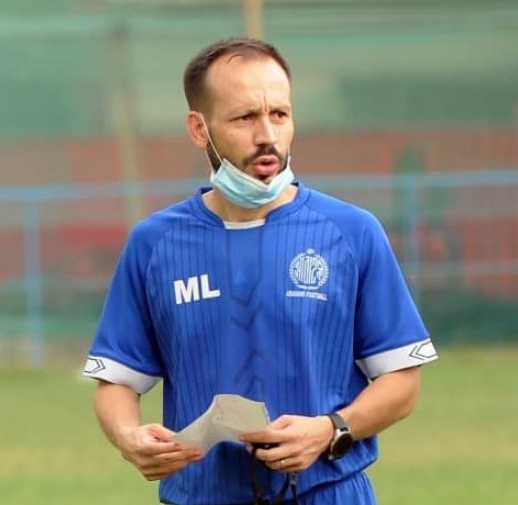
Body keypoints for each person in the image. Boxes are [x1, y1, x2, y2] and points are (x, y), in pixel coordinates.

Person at [82, 38, 438, 505]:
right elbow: (117, 382)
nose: (267, 134)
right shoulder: (154, 244)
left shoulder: (352, 232)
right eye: (245, 117)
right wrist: (129, 438)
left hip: (329, 493)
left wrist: (330, 429)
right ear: (199, 129)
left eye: (280, 115)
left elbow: (402, 383)